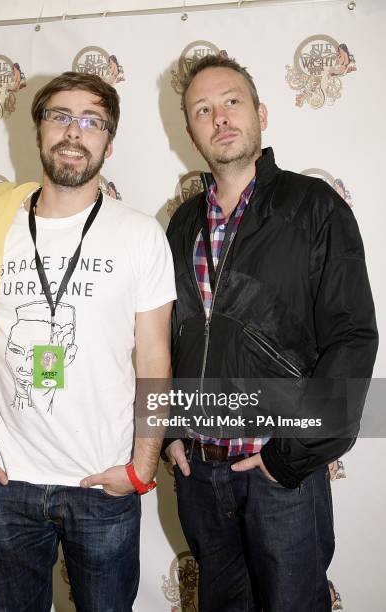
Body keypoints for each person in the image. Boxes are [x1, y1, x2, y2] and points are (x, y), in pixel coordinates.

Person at [0, 71, 176, 612]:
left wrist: (142, 465)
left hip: (102, 485)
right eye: (59, 116)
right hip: (8, 484)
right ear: (38, 131)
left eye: (91, 122)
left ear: (109, 142)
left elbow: (156, 356)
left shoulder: (139, 235)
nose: (73, 132)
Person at [163, 54, 377, 611]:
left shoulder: (314, 208)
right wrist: (168, 433)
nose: (220, 118)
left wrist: (290, 456)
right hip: (201, 478)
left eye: (232, 101)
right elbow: (163, 336)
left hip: (279, 474)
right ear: (191, 132)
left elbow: (352, 338)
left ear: (260, 112)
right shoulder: (181, 222)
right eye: (203, 110)